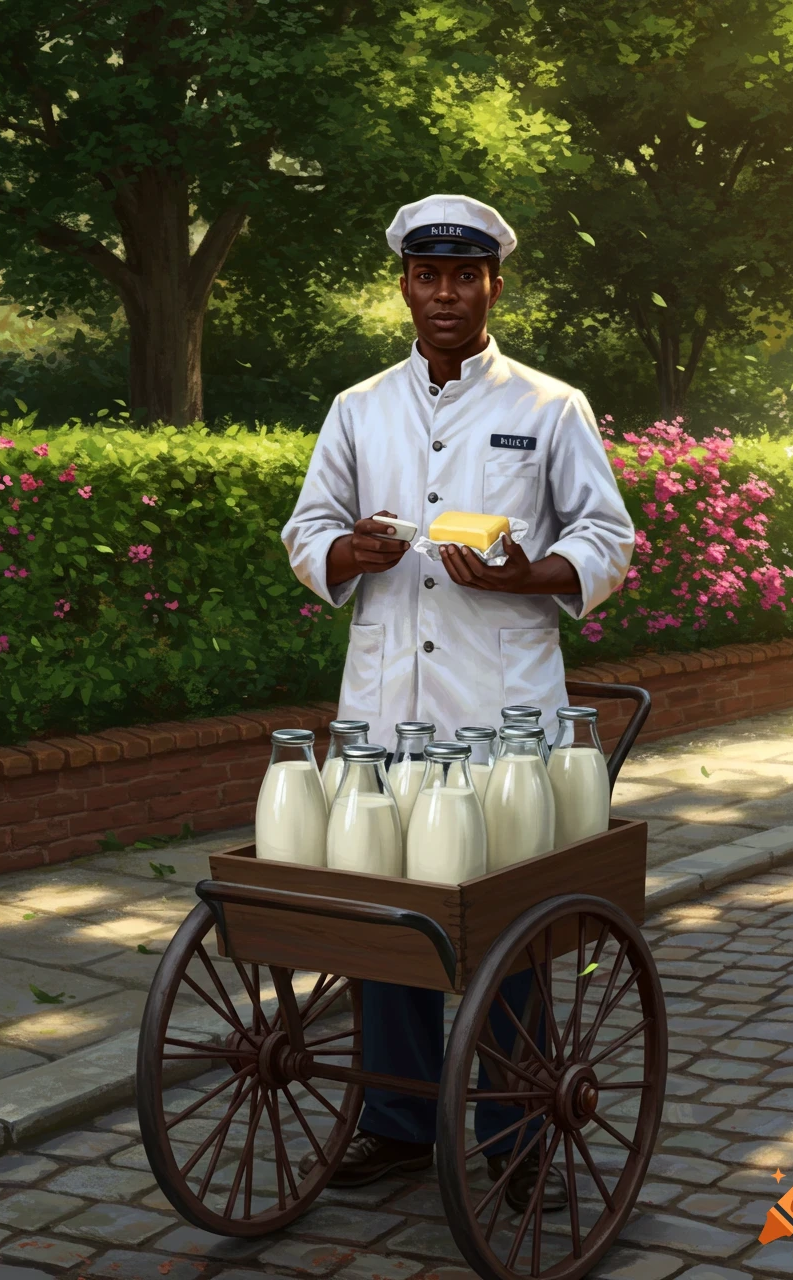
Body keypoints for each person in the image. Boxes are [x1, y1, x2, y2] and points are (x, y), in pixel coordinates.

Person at [282, 193, 634, 1209]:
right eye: (427, 275)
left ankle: (516, 1137)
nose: (445, 293)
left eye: (464, 276)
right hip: (385, 708)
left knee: (509, 930)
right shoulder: (359, 408)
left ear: (493, 286)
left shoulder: (549, 406)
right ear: (404, 285)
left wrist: (532, 574)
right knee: (390, 921)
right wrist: (345, 551)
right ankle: (396, 1123)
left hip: (502, 716)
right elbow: (307, 528)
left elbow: (606, 537)